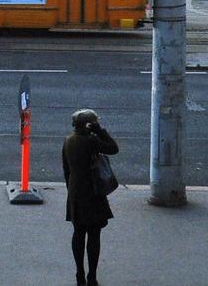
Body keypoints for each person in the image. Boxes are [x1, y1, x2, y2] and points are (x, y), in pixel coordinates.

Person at [62, 109, 118, 286]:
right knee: (94, 235)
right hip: (93, 192)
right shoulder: (91, 140)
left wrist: (71, 189)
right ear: (89, 124)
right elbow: (113, 148)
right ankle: (92, 276)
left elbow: (66, 169)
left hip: (75, 192)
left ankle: (79, 274)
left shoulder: (68, 140)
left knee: (78, 233)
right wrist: (100, 130)